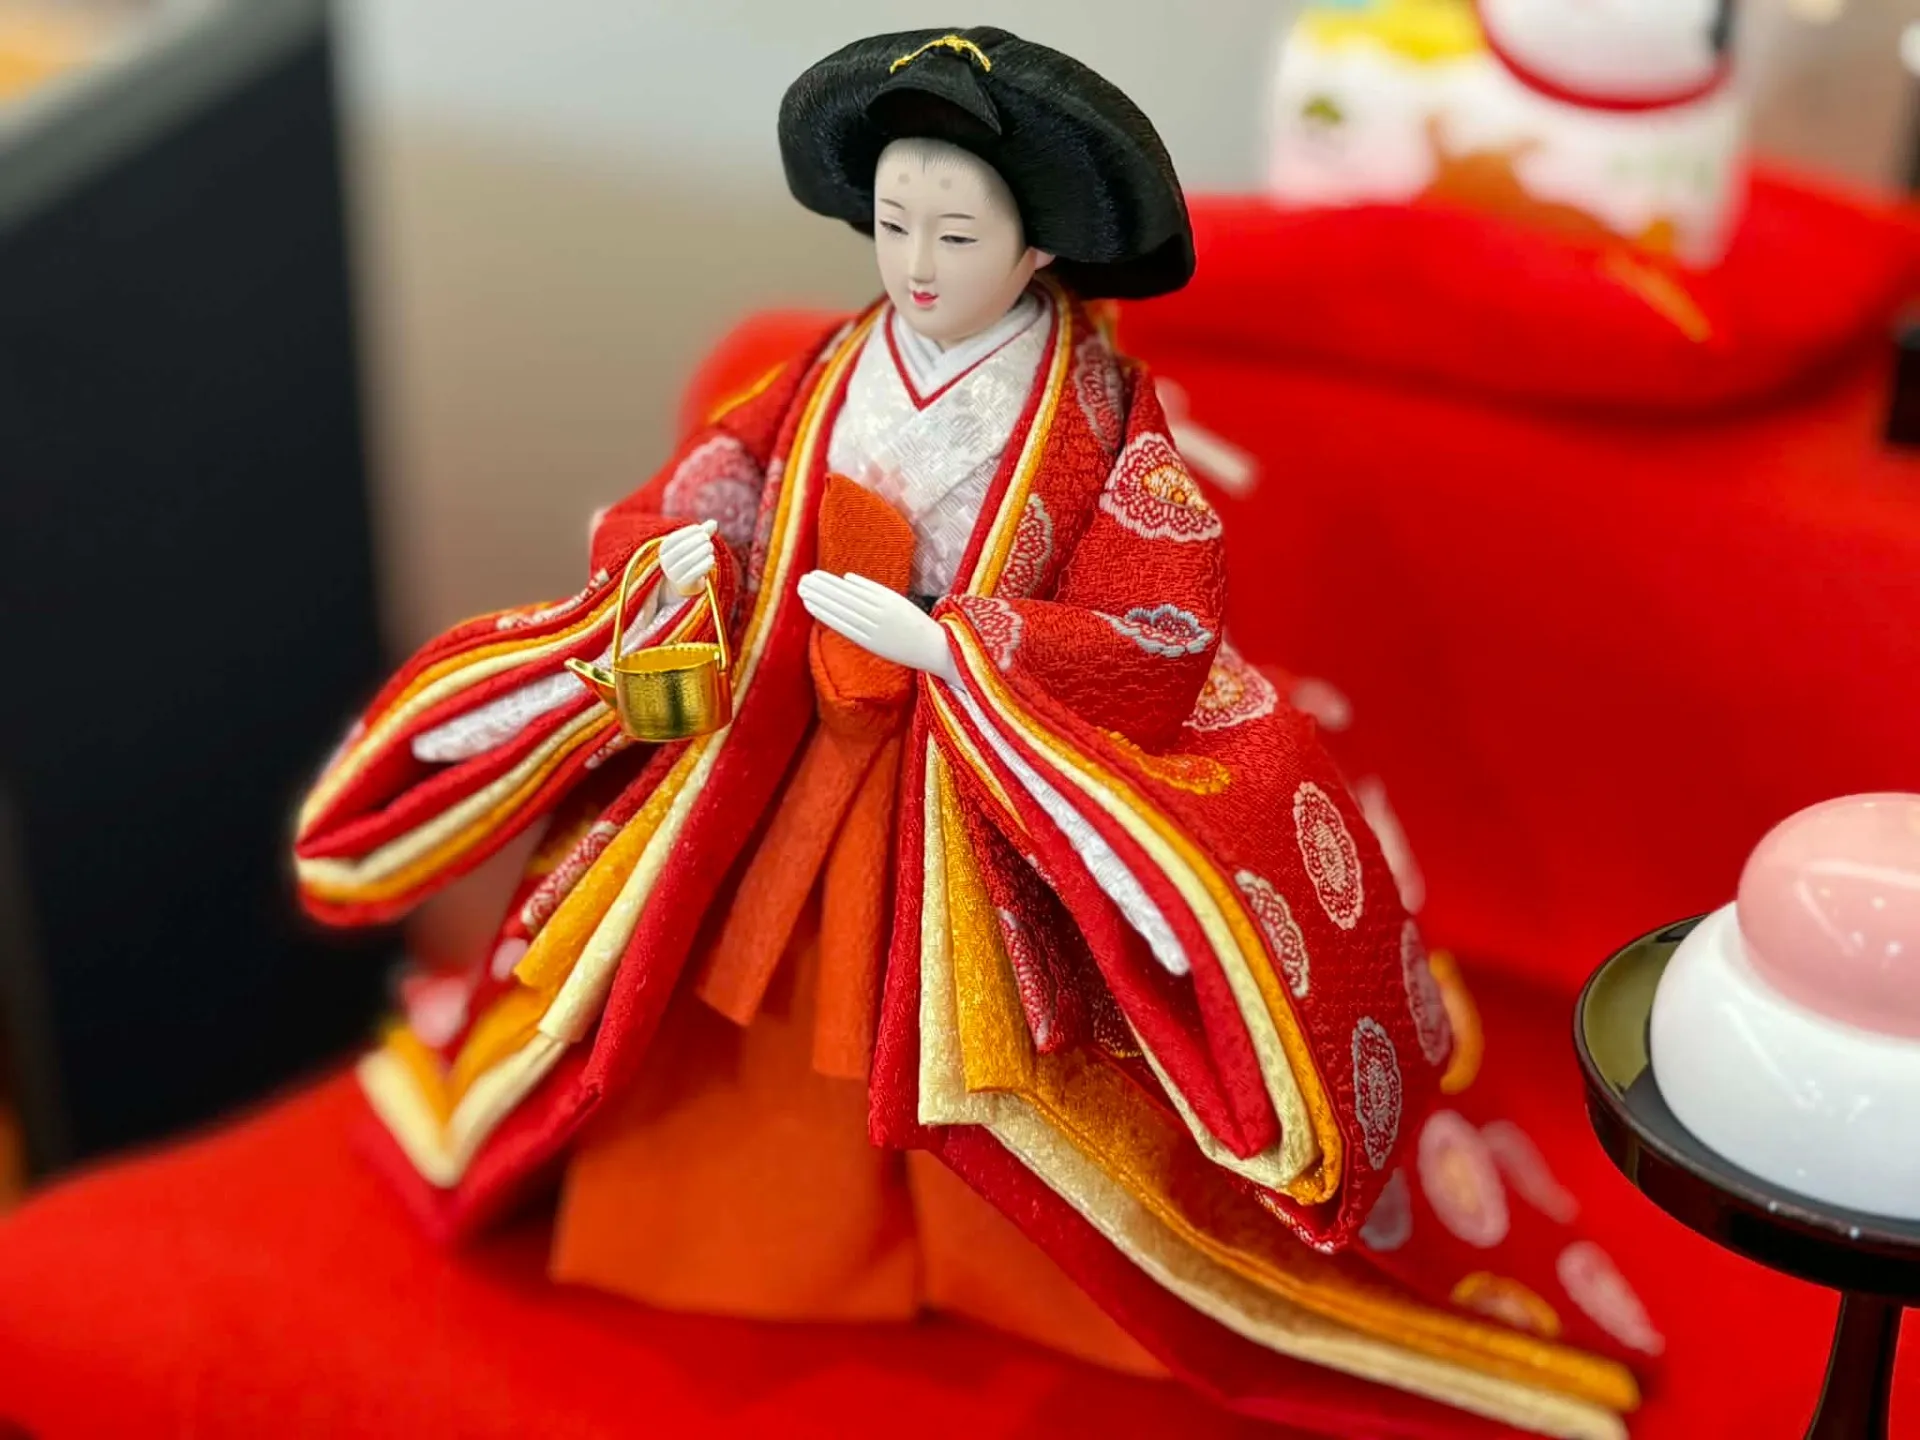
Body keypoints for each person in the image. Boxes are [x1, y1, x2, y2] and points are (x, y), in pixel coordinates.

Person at [294, 28, 1652, 1438]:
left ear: (1039, 244)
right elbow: (725, 475)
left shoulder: (1096, 413)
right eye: (894, 225)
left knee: (1003, 1069)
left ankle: (1039, 1281)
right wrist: (684, 558)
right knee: (744, 1024)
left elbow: (1160, 614)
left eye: (956, 233)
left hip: (985, 784)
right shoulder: (835, 364)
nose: (918, 265)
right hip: (795, 752)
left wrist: (957, 647)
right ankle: (755, 1245)